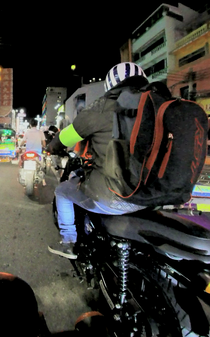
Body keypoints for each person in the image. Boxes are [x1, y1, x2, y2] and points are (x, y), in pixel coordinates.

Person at [46, 62, 150, 259]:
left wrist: (52, 146)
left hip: (115, 194)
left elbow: (65, 138)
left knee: (62, 191)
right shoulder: (156, 106)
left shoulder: (102, 107)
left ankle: (69, 242)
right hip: (152, 195)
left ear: (110, 85)